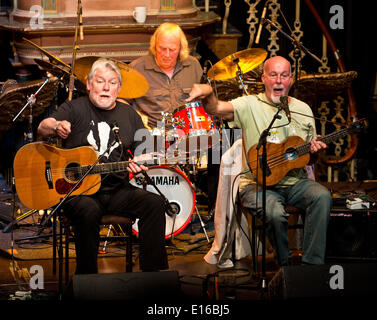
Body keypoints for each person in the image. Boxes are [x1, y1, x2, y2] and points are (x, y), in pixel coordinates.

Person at [186, 56, 332, 266]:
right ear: (264, 78)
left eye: (284, 75)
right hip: (257, 184)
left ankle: (311, 267)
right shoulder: (249, 104)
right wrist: (208, 94)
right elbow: (216, 108)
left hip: (295, 183)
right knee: (273, 211)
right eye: (273, 75)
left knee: (322, 196)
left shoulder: (303, 110)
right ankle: (286, 266)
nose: (278, 81)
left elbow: (308, 157)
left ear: (291, 79)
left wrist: (315, 150)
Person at [37, 58, 169, 274]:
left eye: (112, 82)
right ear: (89, 84)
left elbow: (146, 151)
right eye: (100, 81)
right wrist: (57, 125)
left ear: (119, 88)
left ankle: (154, 278)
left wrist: (141, 162)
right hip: (79, 193)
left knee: (154, 203)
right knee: (88, 210)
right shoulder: (74, 107)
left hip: (117, 191)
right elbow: (43, 127)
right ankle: (87, 280)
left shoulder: (129, 115)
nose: (106, 87)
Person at [128, 22, 203, 129]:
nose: (167, 55)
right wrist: (135, 116)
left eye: (172, 50)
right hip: (151, 132)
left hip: (187, 132)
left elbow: (206, 101)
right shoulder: (137, 68)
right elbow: (122, 102)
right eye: (162, 49)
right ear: (155, 46)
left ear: (180, 48)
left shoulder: (193, 65)